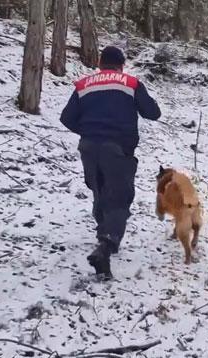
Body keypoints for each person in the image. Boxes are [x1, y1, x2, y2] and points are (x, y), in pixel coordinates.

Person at [60, 46, 161, 279]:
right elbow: (153, 113)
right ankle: (106, 245)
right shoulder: (131, 84)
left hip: (88, 147)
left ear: (100, 63)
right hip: (117, 148)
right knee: (119, 197)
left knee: (99, 189)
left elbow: (66, 118)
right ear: (122, 65)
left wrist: (87, 131)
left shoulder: (84, 85)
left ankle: (102, 233)